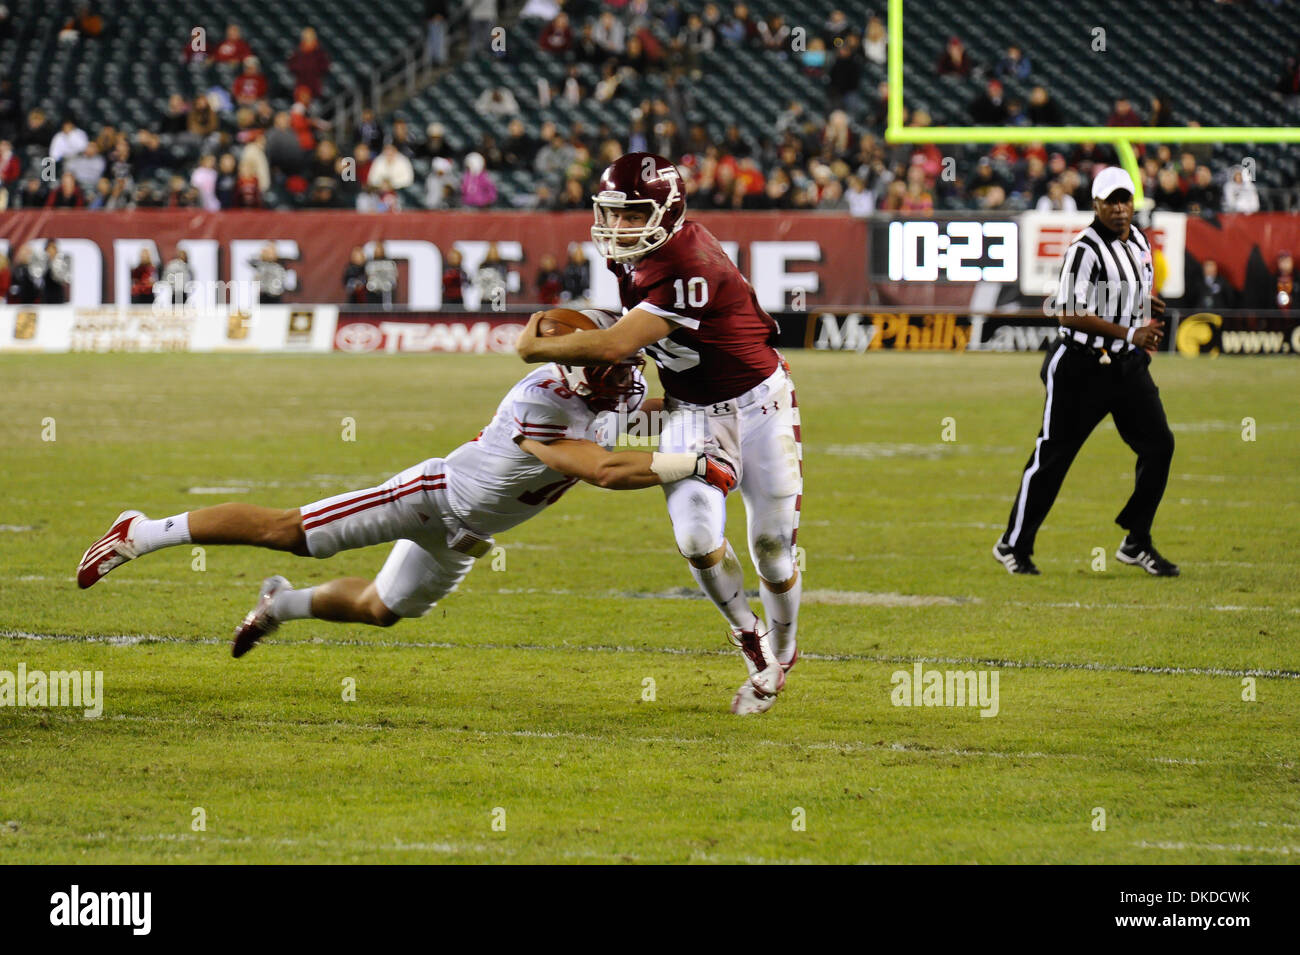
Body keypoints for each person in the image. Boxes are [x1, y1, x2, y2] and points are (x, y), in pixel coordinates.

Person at [77, 323, 737, 662]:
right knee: (289, 531)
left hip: (468, 534)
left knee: (382, 608)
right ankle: (141, 531)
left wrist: (706, 409)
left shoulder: (613, 392)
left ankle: (280, 607)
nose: (620, 377)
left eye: (621, 366)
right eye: (606, 367)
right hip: (430, 496)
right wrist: (696, 461)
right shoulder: (545, 402)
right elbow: (604, 470)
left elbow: (637, 415)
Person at [515, 153, 803, 715]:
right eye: (612, 215)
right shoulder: (638, 258)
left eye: (632, 215)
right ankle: (750, 638)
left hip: (761, 405)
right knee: (697, 538)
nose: (618, 228)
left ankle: (785, 648)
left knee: (772, 548)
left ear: (667, 211)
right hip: (691, 410)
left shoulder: (689, 261)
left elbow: (615, 344)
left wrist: (537, 345)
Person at [994, 167, 1177, 577]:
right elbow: (1070, 312)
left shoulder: (1140, 242)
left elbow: (1129, 294)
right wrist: (1133, 331)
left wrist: (1146, 309)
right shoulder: (1084, 248)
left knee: (1159, 445)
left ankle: (1137, 541)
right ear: (1095, 204)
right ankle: (1013, 543)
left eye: (1124, 199)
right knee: (1053, 457)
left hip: (1126, 366)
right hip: (1081, 366)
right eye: (1110, 201)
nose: (1118, 208)